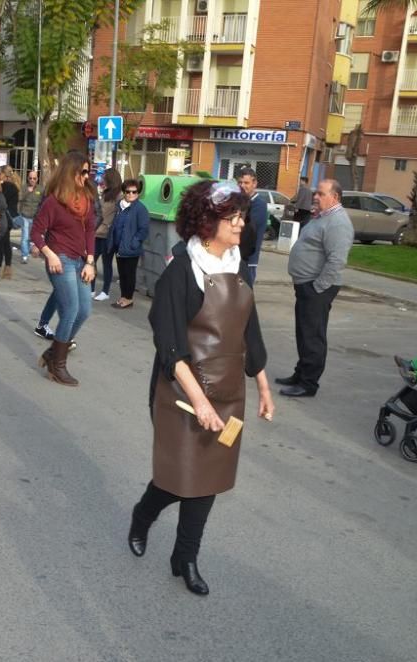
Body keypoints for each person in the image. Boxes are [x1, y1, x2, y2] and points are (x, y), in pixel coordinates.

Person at [128, 180, 274, 596]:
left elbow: (251, 329)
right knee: (179, 477)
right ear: (209, 222)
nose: (241, 225)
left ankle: (185, 557)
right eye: (234, 218)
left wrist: (262, 385)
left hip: (228, 393)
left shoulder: (237, 265)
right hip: (182, 394)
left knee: (209, 479)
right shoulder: (180, 271)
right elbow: (169, 345)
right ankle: (143, 515)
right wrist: (199, 402)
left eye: (242, 217)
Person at [278, 179, 354, 398]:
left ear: (335, 197)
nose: (315, 197)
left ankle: (308, 383)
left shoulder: (338, 222)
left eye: (321, 194)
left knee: (313, 336)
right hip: (306, 285)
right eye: (316, 193)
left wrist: (318, 287)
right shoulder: (322, 217)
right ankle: (300, 374)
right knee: (304, 333)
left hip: (316, 288)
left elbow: (337, 260)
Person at [30, 152, 97, 386]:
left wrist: (91, 261)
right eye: (84, 172)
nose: (87, 177)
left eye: (89, 172)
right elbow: (36, 233)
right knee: (70, 309)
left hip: (80, 260)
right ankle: (58, 366)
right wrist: (50, 255)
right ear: (72, 173)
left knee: (85, 310)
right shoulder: (54, 201)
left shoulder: (86, 199)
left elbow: (90, 231)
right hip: (61, 259)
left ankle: (53, 353)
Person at [109, 178, 150, 309]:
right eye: (128, 192)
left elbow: (143, 229)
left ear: (138, 193)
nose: (131, 194)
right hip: (119, 247)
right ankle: (123, 296)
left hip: (131, 248)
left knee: (129, 274)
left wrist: (134, 242)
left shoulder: (140, 208)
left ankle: (128, 299)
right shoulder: (119, 206)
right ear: (124, 192)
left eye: (134, 192)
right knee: (122, 274)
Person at [92, 168, 122, 301]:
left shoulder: (119, 196)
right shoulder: (105, 194)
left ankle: (105, 291)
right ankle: (91, 289)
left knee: (107, 263)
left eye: (104, 177)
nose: (102, 180)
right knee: (91, 261)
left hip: (107, 235)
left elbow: (118, 215)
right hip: (96, 233)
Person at [237, 168, 268, 285]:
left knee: (244, 295)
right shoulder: (240, 201)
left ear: (254, 184)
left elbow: (246, 228)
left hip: (248, 259)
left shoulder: (259, 204)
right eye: (240, 182)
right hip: (236, 256)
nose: (242, 186)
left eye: (246, 183)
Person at [0, 165, 20, 280]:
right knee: (5, 242)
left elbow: (1, 202)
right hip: (11, 217)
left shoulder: (5, 186)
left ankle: (2, 266)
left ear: (2, 175)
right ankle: (6, 267)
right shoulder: (15, 186)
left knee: (2, 242)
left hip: (5, 217)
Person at [17, 170, 43, 264]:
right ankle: (25, 255)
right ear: (28, 178)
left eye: (34, 178)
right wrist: (27, 192)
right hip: (25, 215)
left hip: (36, 217)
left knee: (35, 235)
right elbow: (19, 199)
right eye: (30, 178)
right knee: (25, 236)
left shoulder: (41, 189)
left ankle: (33, 250)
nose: (32, 180)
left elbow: (43, 202)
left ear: (37, 179)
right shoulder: (24, 188)